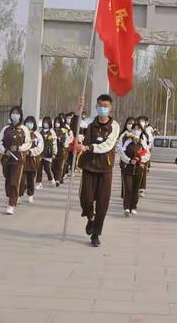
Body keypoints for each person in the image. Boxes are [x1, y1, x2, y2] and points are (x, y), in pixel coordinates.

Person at [78, 94, 120, 247]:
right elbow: (76, 128)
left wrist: (88, 147)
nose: (103, 109)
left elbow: (108, 145)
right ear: (96, 107)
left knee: (102, 203)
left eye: (105, 106)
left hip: (105, 169)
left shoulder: (114, 126)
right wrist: (79, 110)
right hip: (88, 167)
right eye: (100, 106)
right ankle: (90, 217)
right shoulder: (89, 122)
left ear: (110, 108)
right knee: (86, 199)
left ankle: (96, 234)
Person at [0, 106, 32, 215]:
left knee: (14, 181)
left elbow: (29, 143)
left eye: (17, 113)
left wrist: (19, 148)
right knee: (8, 180)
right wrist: (4, 150)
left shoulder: (24, 129)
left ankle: (11, 204)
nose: (15, 115)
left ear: (21, 115)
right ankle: (12, 196)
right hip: (7, 159)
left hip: (18, 160)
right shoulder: (5, 129)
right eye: (13, 113)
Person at [119, 122, 150, 216]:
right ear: (131, 130)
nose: (136, 131)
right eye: (134, 128)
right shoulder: (127, 141)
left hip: (139, 169)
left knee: (136, 189)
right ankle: (126, 208)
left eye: (138, 129)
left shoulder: (143, 142)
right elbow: (121, 152)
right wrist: (129, 160)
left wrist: (140, 159)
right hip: (128, 168)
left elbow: (147, 155)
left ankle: (133, 207)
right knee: (128, 188)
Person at [20, 116, 44, 203]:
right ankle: (19, 195)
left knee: (30, 178)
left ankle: (30, 195)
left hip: (32, 160)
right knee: (21, 179)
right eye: (27, 122)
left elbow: (40, 148)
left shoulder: (37, 135)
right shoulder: (22, 133)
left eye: (31, 122)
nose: (29, 124)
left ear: (34, 124)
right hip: (22, 159)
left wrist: (31, 152)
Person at [36, 116, 57, 188]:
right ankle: (39, 183)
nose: (45, 124)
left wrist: (54, 153)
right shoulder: (40, 131)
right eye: (44, 122)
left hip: (48, 153)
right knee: (39, 168)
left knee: (47, 168)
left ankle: (52, 180)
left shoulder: (52, 132)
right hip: (40, 152)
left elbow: (54, 143)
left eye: (47, 122)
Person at [53, 115, 71, 186]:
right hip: (53, 151)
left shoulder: (64, 130)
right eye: (55, 122)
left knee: (60, 166)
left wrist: (63, 143)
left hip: (61, 150)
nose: (56, 123)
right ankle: (56, 178)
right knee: (53, 167)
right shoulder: (52, 130)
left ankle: (58, 179)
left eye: (58, 122)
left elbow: (68, 139)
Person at [137, 115, 153, 197]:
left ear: (147, 122)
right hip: (135, 153)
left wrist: (144, 152)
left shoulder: (148, 133)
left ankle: (142, 189)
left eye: (143, 121)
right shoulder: (135, 130)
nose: (141, 122)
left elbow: (150, 144)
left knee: (143, 172)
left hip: (144, 153)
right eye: (140, 121)